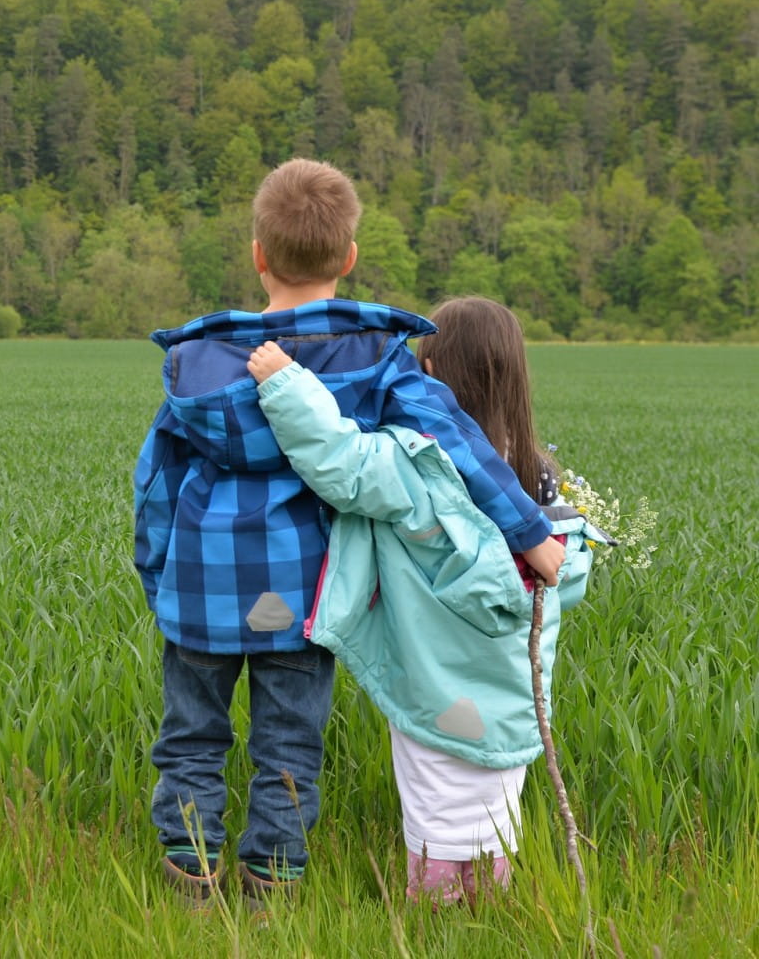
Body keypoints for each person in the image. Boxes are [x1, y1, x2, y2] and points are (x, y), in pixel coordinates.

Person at [134, 161, 565, 911]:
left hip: (201, 589)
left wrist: (159, 577)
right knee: (289, 745)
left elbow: (156, 486)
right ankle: (273, 884)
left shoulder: (197, 365)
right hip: (305, 592)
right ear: (351, 258)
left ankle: (190, 874)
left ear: (258, 255)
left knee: (191, 736)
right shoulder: (374, 358)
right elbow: (458, 444)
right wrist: (530, 533)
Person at [245, 299, 606, 909]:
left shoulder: (421, 462)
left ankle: (434, 918)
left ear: (429, 371)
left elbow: (340, 459)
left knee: (437, 801)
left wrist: (284, 382)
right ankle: (489, 915)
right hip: (511, 690)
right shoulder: (540, 479)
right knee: (494, 805)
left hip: (435, 680)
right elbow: (557, 573)